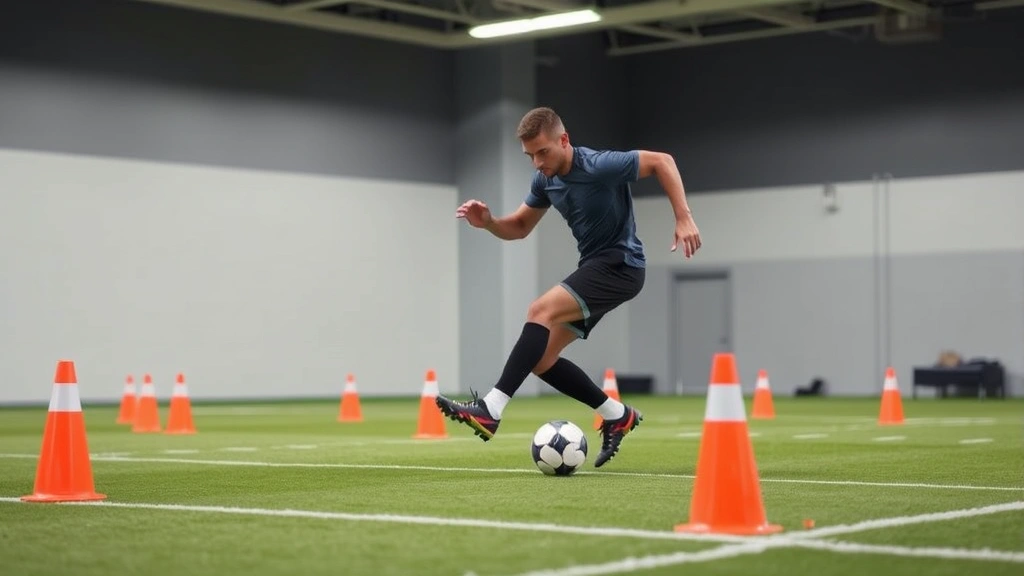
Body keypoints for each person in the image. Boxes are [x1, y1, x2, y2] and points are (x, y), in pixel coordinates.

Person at [435, 107, 701, 468]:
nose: (537, 163)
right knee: (541, 359)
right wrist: (490, 223)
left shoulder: (600, 165)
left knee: (538, 312)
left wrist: (683, 218)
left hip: (621, 265)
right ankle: (617, 415)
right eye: (530, 156)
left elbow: (663, 162)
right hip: (595, 267)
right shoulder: (544, 181)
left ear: (564, 140)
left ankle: (491, 408)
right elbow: (520, 227)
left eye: (543, 152)